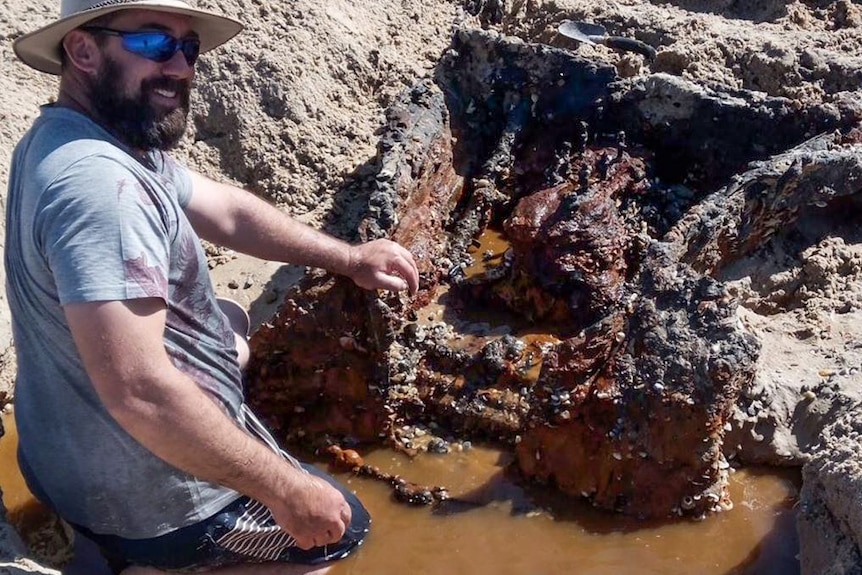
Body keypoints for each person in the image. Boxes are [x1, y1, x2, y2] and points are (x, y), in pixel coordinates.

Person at [6, 1, 420, 574]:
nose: (179, 66)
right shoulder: (102, 190)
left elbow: (225, 212)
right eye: (153, 44)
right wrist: (285, 490)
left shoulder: (79, 136)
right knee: (334, 532)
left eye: (188, 47)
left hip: (57, 460)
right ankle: (150, 559)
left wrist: (348, 257)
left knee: (227, 317)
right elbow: (142, 392)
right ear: (81, 49)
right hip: (149, 505)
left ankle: (102, 545)